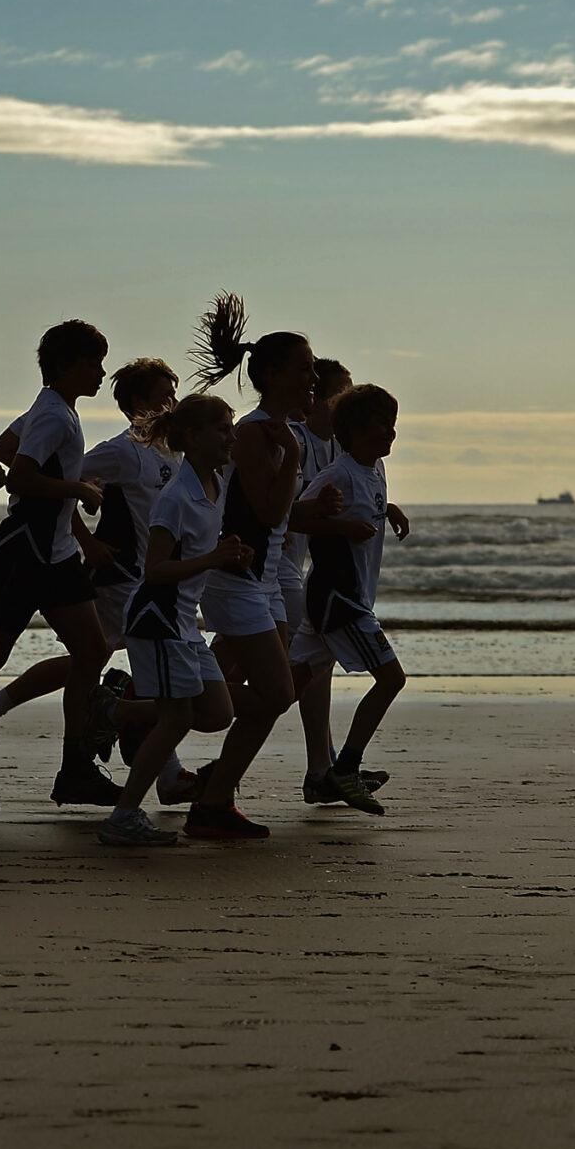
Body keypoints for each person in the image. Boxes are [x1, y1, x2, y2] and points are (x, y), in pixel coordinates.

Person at [0, 356, 202, 798]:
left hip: (153, 580)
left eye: (174, 392)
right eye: (162, 395)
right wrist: (86, 539)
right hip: (122, 576)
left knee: (94, 657)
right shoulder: (122, 449)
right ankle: (159, 767)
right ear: (138, 404)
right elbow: (54, 481)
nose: (172, 401)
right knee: (125, 660)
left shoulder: (174, 450)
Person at [182, 293, 372, 836]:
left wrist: (315, 508)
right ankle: (165, 738)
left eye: (314, 371)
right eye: (304, 370)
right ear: (270, 374)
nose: (313, 381)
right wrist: (291, 458)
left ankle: (206, 784)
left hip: (264, 578)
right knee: (275, 692)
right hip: (237, 578)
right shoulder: (255, 432)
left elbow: (280, 513)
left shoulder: (276, 431)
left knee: (274, 687)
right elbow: (266, 512)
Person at [0, 319, 123, 809]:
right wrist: (78, 488)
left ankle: (75, 768)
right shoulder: (54, 415)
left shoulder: (53, 410)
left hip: (58, 553)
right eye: (93, 363)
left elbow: (8, 448)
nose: (100, 373)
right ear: (66, 366)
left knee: (92, 650)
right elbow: (19, 478)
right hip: (27, 550)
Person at [100, 394, 254, 846]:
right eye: (222, 429)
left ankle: (116, 709)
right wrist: (213, 557)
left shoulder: (216, 483)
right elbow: (155, 569)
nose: (231, 436)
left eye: (231, 427)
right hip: (158, 619)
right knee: (177, 718)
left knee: (217, 711)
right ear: (192, 437)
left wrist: (229, 555)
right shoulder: (176, 497)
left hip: (186, 623)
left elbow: (204, 548)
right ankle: (123, 816)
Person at [295, 385, 409, 812]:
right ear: (354, 431)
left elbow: (364, 504)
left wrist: (388, 509)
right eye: (383, 426)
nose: (391, 434)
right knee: (391, 679)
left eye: (393, 425)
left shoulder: (374, 467)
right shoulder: (335, 475)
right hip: (339, 601)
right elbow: (294, 518)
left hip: (346, 598)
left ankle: (142, 711)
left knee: (283, 687)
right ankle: (345, 768)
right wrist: (341, 529)